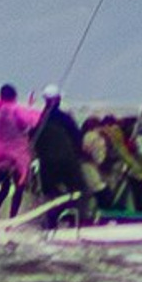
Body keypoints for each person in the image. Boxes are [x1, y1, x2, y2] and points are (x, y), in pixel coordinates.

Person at [30, 87, 88, 221]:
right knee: (79, 190)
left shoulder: (38, 119)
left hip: (47, 163)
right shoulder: (66, 118)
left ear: (45, 100)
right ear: (58, 100)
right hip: (68, 161)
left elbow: (32, 141)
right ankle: (76, 220)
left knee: (50, 193)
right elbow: (77, 138)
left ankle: (52, 222)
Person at [0, 81, 39, 217]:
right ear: (15, 96)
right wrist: (32, 108)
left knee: (4, 188)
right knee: (19, 187)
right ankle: (12, 218)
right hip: (15, 156)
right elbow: (29, 121)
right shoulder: (15, 110)